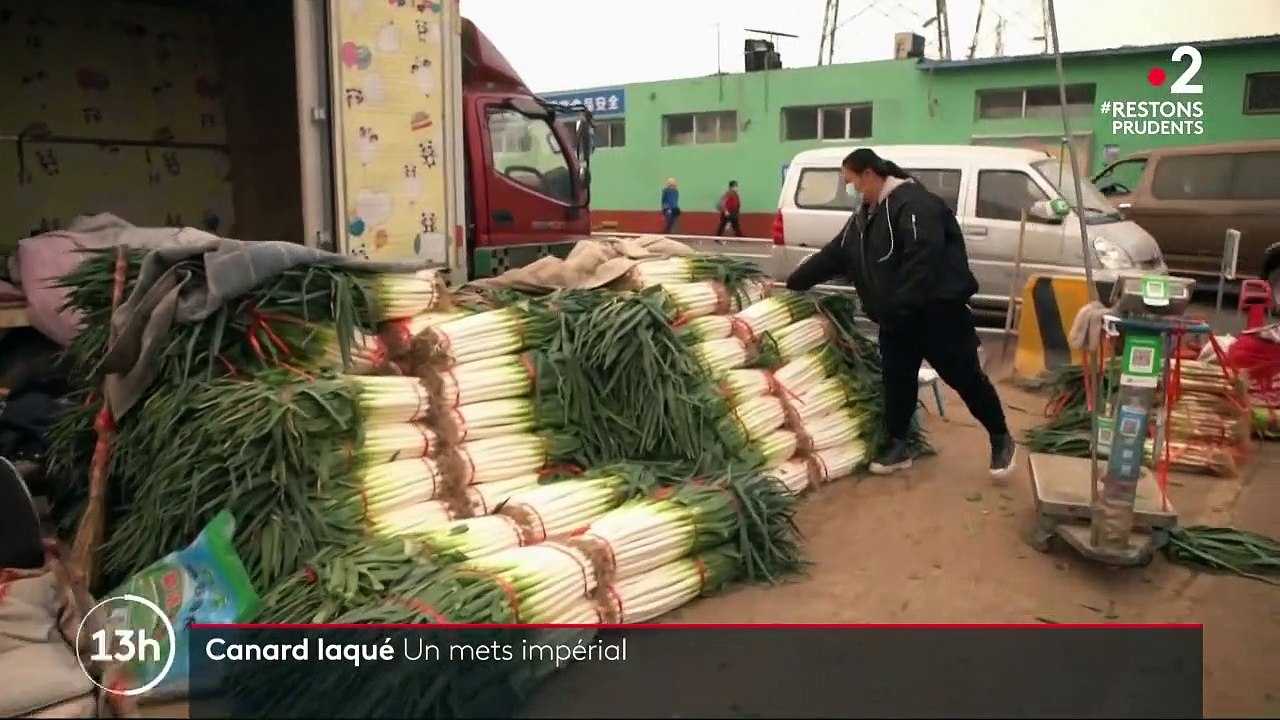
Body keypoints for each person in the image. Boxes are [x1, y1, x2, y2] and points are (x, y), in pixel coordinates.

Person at [785, 148, 1016, 479]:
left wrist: (897, 305)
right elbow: (835, 255)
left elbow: (922, 262)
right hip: (896, 321)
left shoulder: (915, 205)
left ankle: (1001, 437)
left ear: (869, 175)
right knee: (897, 382)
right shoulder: (864, 216)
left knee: (965, 379)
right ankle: (899, 445)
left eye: (851, 182)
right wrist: (794, 282)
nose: (850, 189)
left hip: (938, 315)